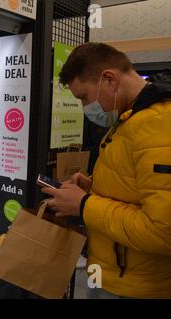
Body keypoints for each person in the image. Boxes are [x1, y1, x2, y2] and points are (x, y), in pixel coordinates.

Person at [41, 43, 171, 299]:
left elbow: (163, 232)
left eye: (84, 97)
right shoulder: (130, 117)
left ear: (109, 79)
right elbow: (135, 188)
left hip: (134, 287)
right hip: (114, 274)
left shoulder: (157, 124)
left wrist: (84, 205)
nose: (84, 108)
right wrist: (93, 187)